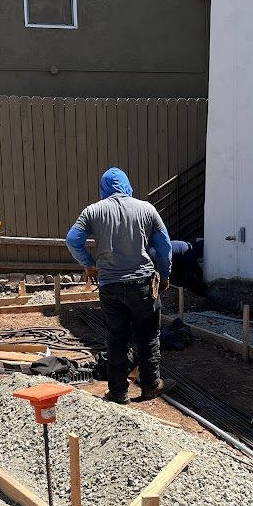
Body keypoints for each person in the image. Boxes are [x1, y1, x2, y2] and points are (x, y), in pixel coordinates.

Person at [67, 167, 172, 404]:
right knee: (148, 337)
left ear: (103, 188)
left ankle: (118, 392)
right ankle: (150, 386)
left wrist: (89, 265)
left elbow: (72, 240)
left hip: (110, 286)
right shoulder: (147, 209)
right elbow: (164, 246)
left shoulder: (93, 211)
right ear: (127, 185)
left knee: (116, 339)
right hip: (143, 285)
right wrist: (165, 275)